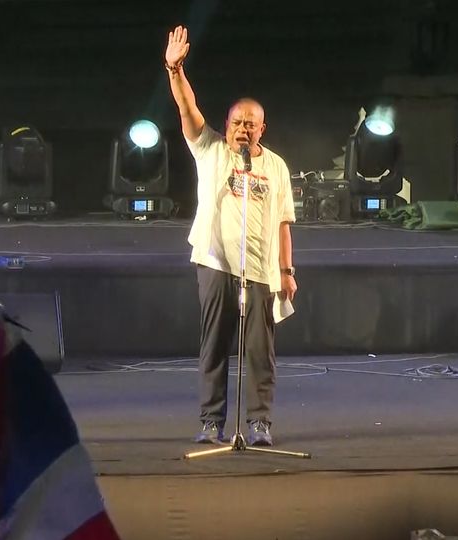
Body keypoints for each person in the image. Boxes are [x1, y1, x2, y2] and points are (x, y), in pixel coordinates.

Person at [165, 26, 297, 447]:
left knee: (260, 351)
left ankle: (259, 423)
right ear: (227, 125)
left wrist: (287, 271)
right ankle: (211, 421)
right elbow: (188, 109)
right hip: (216, 261)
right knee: (215, 345)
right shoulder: (211, 150)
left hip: (261, 269)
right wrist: (175, 70)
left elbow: (284, 222)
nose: (243, 129)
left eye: (250, 124)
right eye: (237, 122)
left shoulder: (275, 167)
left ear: (262, 129)